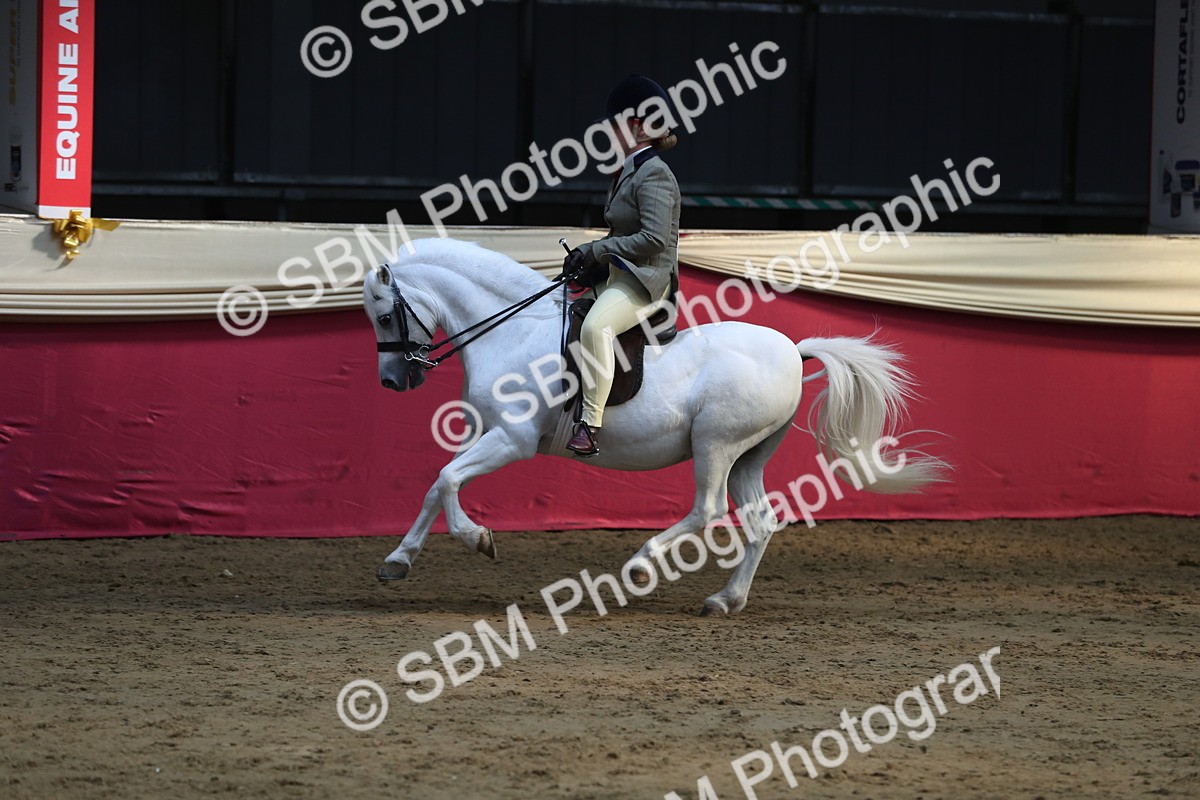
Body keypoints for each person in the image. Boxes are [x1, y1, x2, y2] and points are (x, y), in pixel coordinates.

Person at [562, 74, 682, 457]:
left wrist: (597, 250)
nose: (608, 130)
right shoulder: (629, 170)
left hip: (647, 279)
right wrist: (592, 263)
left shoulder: (655, 173)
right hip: (622, 273)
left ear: (637, 127)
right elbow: (622, 232)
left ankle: (590, 424)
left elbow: (654, 239)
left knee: (596, 326)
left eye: (615, 123)